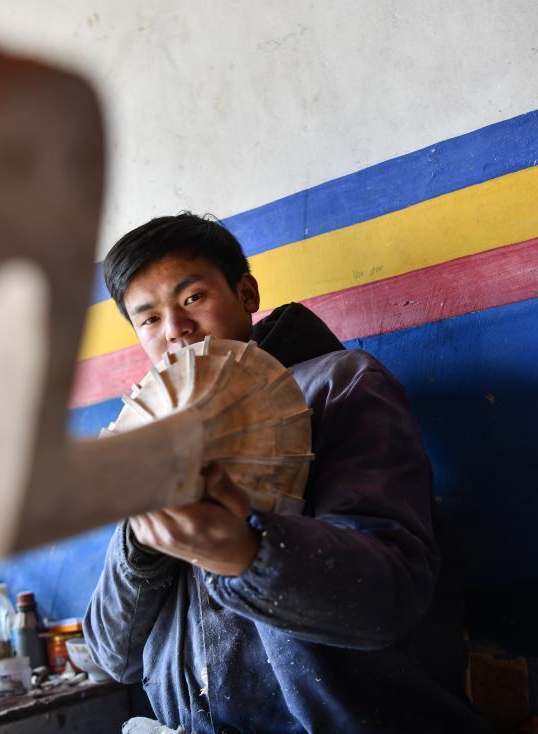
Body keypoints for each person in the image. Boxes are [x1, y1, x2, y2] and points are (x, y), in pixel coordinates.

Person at [83, 213, 490, 733]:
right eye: (149, 319)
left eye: (192, 298)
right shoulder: (153, 431)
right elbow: (113, 657)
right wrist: (142, 543)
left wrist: (249, 555)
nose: (175, 329)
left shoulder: (340, 386)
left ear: (246, 293)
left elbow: (389, 596)